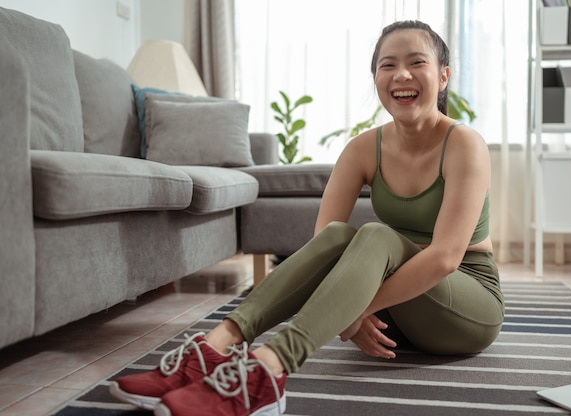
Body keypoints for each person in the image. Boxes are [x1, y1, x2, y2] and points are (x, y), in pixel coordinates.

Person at [109, 19, 505, 416]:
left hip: (464, 306)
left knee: (377, 235)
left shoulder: (464, 144)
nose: (401, 74)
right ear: (376, 78)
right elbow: (326, 244)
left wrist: (353, 312)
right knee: (339, 236)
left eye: (416, 62)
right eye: (388, 65)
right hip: (396, 310)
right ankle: (215, 347)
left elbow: (445, 257)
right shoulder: (364, 148)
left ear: (443, 77)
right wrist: (355, 310)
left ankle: (269, 367)